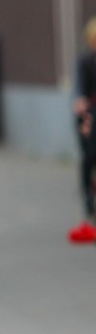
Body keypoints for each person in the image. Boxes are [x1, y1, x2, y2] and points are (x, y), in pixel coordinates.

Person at [70, 16, 96, 243]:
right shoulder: (86, 60)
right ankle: (88, 198)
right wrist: (79, 101)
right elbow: (79, 86)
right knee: (89, 157)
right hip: (89, 115)